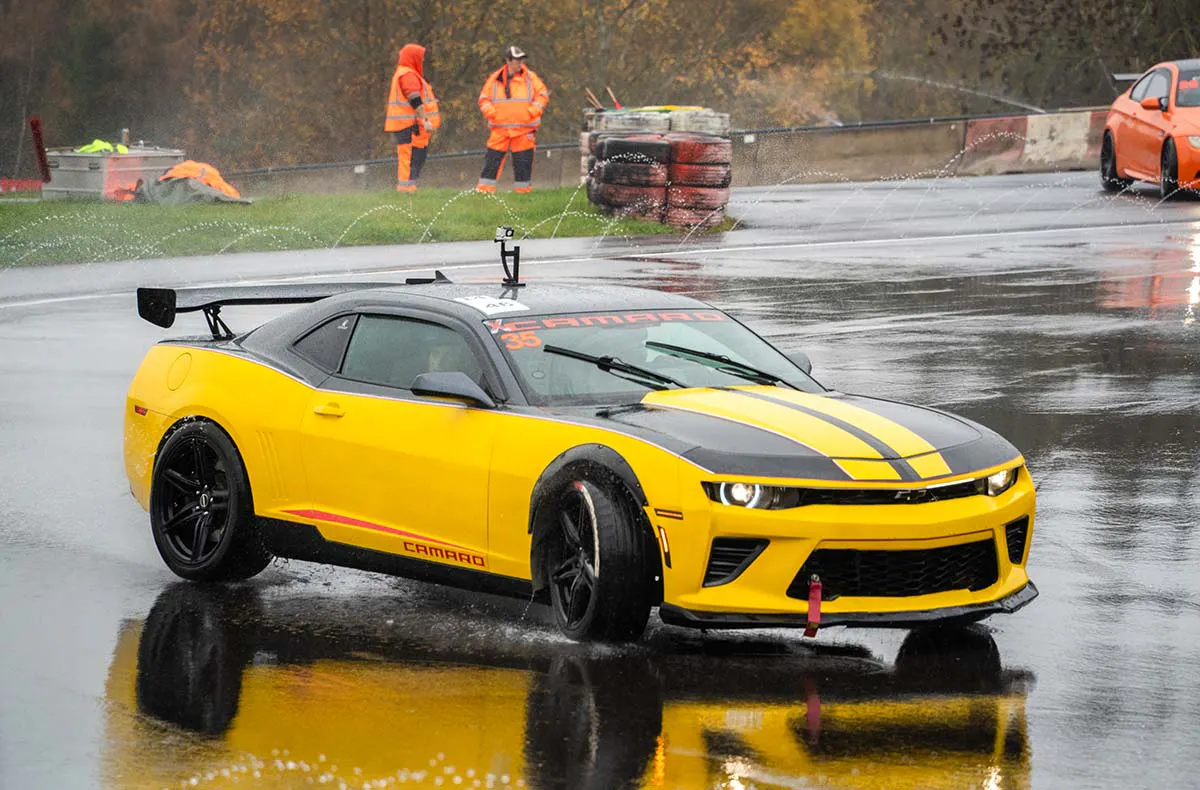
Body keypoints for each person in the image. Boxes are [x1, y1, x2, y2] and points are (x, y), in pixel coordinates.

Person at [476, 45, 550, 194]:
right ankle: (484, 192)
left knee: (523, 163)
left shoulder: (530, 77)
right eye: (517, 60)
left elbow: (542, 95)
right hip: (500, 129)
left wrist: (533, 111)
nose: (520, 63)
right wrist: (492, 113)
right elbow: (484, 99)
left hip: (524, 129)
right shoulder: (495, 78)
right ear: (508, 61)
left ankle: (523, 194)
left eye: (521, 60)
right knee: (492, 162)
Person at [384, 43, 441, 192]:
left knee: (414, 158)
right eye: (420, 58)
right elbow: (414, 99)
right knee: (410, 159)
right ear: (413, 58)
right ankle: (406, 191)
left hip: (409, 125)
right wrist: (426, 121)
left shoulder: (406, 73)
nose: (422, 62)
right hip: (409, 125)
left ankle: (409, 189)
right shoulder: (408, 75)